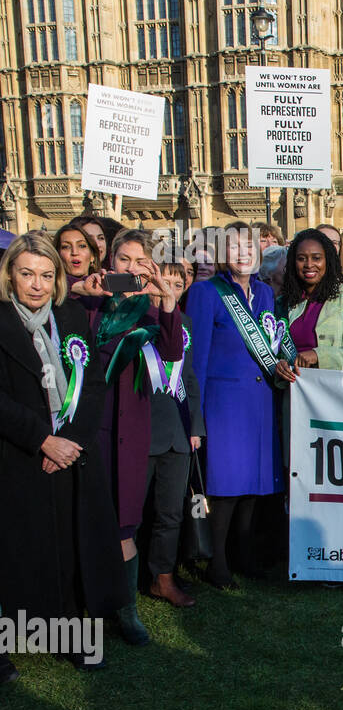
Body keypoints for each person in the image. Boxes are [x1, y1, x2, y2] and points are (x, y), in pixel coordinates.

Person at [0, 233, 125, 670]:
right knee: (21, 551)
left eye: (46, 275)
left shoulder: (69, 314)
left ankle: (72, 633)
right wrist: (41, 439)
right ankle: (13, 636)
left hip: (71, 454)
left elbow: (91, 381)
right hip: (19, 455)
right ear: (10, 276)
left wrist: (69, 440)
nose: (36, 284)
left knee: (71, 549)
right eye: (27, 274)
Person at [75, 228, 187, 644]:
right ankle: (87, 604)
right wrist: (80, 290)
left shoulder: (150, 311)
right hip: (93, 425)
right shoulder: (90, 304)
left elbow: (173, 353)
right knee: (89, 515)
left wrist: (168, 302)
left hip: (133, 426)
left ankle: (127, 610)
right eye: (125, 260)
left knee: (125, 519)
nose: (133, 268)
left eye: (142, 262)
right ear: (110, 262)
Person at [185, 222, 284, 590]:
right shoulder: (206, 292)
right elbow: (196, 359)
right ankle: (217, 561)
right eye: (235, 246)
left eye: (250, 246)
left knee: (254, 485)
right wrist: (196, 417)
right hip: (223, 404)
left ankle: (245, 554)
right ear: (223, 253)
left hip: (260, 401)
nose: (244, 253)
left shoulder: (264, 293)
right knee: (224, 487)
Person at [140, 259, 204, 608]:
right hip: (142, 429)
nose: (169, 290)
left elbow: (189, 377)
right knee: (135, 511)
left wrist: (196, 426)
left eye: (178, 284)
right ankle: (131, 578)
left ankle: (163, 578)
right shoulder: (134, 322)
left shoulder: (186, 324)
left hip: (178, 429)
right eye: (162, 282)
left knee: (170, 511)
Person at [274, 228, 343, 383]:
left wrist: (318, 355)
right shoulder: (283, 302)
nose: (309, 264)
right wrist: (278, 365)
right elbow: (274, 350)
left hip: (331, 393)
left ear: (328, 260)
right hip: (293, 393)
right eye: (301, 258)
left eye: (316, 258)